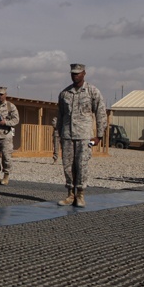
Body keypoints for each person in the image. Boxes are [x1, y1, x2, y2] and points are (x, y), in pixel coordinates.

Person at [56, 63, 107, 208]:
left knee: (82, 165)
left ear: (84, 73)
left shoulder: (92, 91)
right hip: (67, 136)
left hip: (86, 137)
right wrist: (59, 134)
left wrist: (99, 136)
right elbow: (60, 116)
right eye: (73, 73)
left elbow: (101, 113)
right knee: (67, 166)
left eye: (78, 73)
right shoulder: (64, 93)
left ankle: (80, 195)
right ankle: (70, 194)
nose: (75, 76)